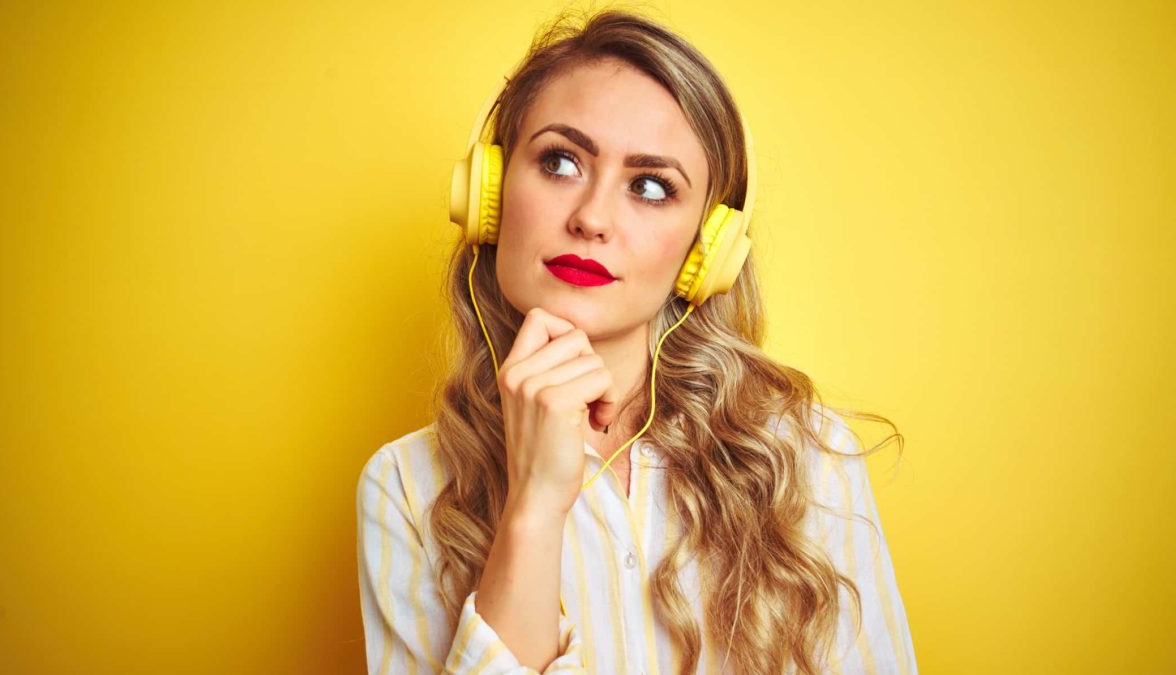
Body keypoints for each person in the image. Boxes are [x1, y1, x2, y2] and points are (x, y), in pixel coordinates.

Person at [358, 8, 917, 674]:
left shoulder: (805, 460)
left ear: (707, 252)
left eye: (651, 187)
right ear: (490, 192)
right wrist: (532, 508)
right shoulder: (405, 487)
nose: (591, 217)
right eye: (560, 162)